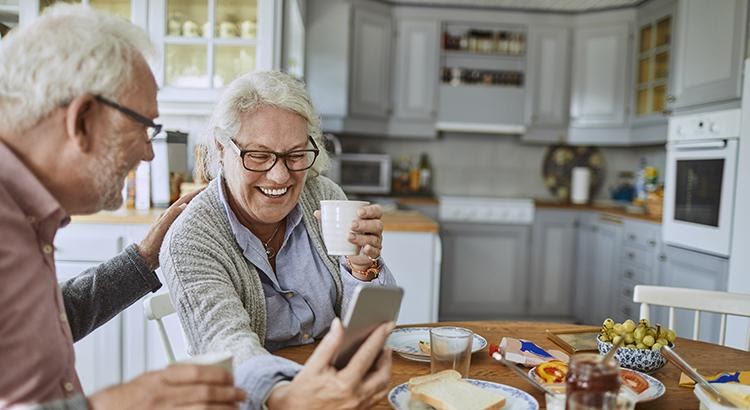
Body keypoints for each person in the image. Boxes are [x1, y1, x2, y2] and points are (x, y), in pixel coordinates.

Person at [0, 5, 392, 410]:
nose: (151, 154)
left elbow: (49, 319)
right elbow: (226, 340)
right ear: (82, 120)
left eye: (294, 155)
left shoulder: (27, 219)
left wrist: (140, 261)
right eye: (143, 128)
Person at [160, 70, 397, 409]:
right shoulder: (191, 240)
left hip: (336, 390)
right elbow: (228, 346)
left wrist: (362, 269)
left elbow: (367, 330)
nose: (280, 175)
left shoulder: (324, 196)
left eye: (295, 155)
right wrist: (288, 396)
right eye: (259, 155)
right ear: (221, 148)